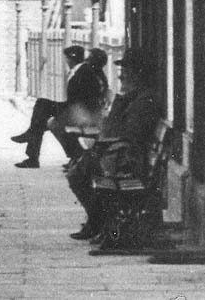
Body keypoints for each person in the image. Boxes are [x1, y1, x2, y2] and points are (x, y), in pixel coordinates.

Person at [66, 47, 160, 241]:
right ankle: (96, 221)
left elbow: (127, 133)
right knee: (78, 171)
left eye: (125, 71)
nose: (121, 76)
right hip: (120, 154)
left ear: (138, 74)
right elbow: (112, 128)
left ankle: (96, 222)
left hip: (128, 160)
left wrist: (119, 102)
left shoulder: (142, 100)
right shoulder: (132, 98)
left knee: (78, 174)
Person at [11, 45, 106, 168]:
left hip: (80, 113)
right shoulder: (90, 73)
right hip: (78, 110)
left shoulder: (85, 72)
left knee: (42, 107)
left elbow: (80, 99)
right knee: (41, 116)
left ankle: (32, 152)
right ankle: (33, 152)